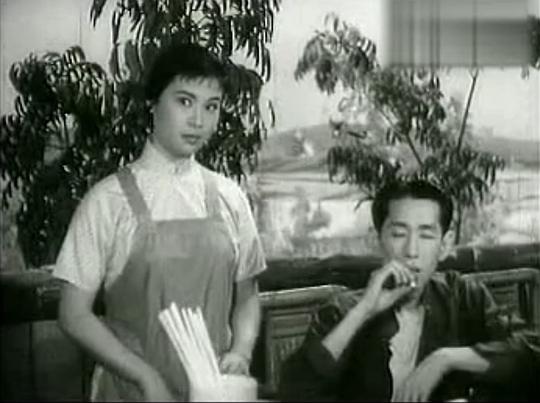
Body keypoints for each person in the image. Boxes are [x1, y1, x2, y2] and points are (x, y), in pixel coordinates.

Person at [54, 42, 266, 401]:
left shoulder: (230, 197)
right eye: (184, 101)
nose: (198, 120)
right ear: (153, 103)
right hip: (130, 392)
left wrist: (241, 352)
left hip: (213, 392)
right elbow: (73, 314)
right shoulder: (107, 201)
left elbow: (247, 296)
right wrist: (145, 377)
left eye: (211, 106)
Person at [279, 180, 536, 402]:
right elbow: (294, 392)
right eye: (399, 234)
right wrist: (364, 310)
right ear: (377, 240)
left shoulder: (463, 296)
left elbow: (530, 352)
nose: (411, 251)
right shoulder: (342, 310)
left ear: (444, 245)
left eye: (426, 235)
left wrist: (445, 359)